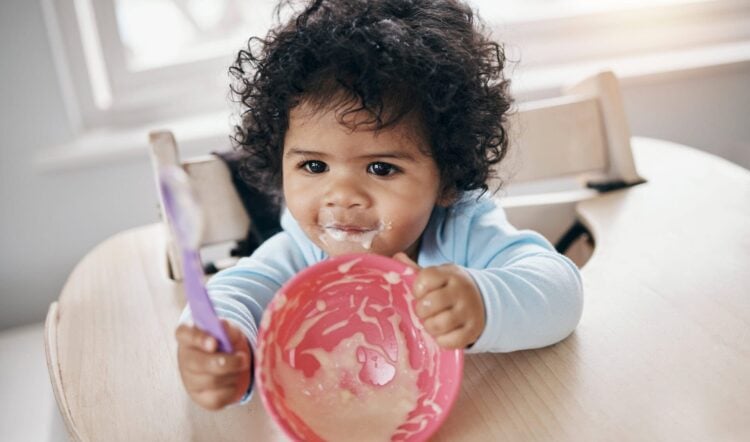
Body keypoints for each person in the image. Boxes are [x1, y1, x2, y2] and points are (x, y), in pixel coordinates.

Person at [175, 0, 583, 411]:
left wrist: (483, 303)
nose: (342, 196)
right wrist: (221, 345)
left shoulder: (462, 232)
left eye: (381, 168)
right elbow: (235, 291)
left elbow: (560, 290)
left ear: (447, 177)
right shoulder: (302, 251)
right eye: (314, 166)